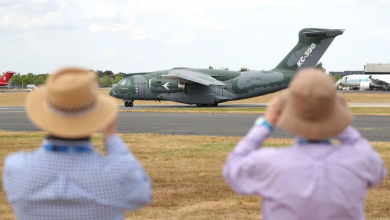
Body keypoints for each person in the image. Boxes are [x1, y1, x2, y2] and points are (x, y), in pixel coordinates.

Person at [223, 68, 387, 220]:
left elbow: (233, 170)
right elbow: (377, 170)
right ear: (336, 111)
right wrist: (337, 119)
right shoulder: (361, 161)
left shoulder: (270, 162)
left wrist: (266, 123)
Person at [3, 68, 152, 220]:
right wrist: (111, 136)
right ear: (99, 116)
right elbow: (142, 196)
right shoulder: (117, 174)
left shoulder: (16, 167)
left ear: (44, 115)